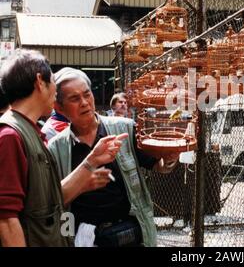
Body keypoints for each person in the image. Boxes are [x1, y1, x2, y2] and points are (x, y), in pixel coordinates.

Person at [0, 50, 127, 247]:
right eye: (52, 80)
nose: (55, 91)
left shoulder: (30, 132)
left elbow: (46, 202)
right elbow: (6, 219)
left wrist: (91, 160)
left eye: (87, 94)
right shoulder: (11, 136)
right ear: (40, 82)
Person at [48, 68, 178, 247]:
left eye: (87, 95)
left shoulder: (125, 129)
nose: (84, 103)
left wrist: (170, 157)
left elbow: (159, 165)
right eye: (74, 99)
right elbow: (54, 202)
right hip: (84, 239)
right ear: (59, 107)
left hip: (129, 235)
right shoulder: (56, 148)